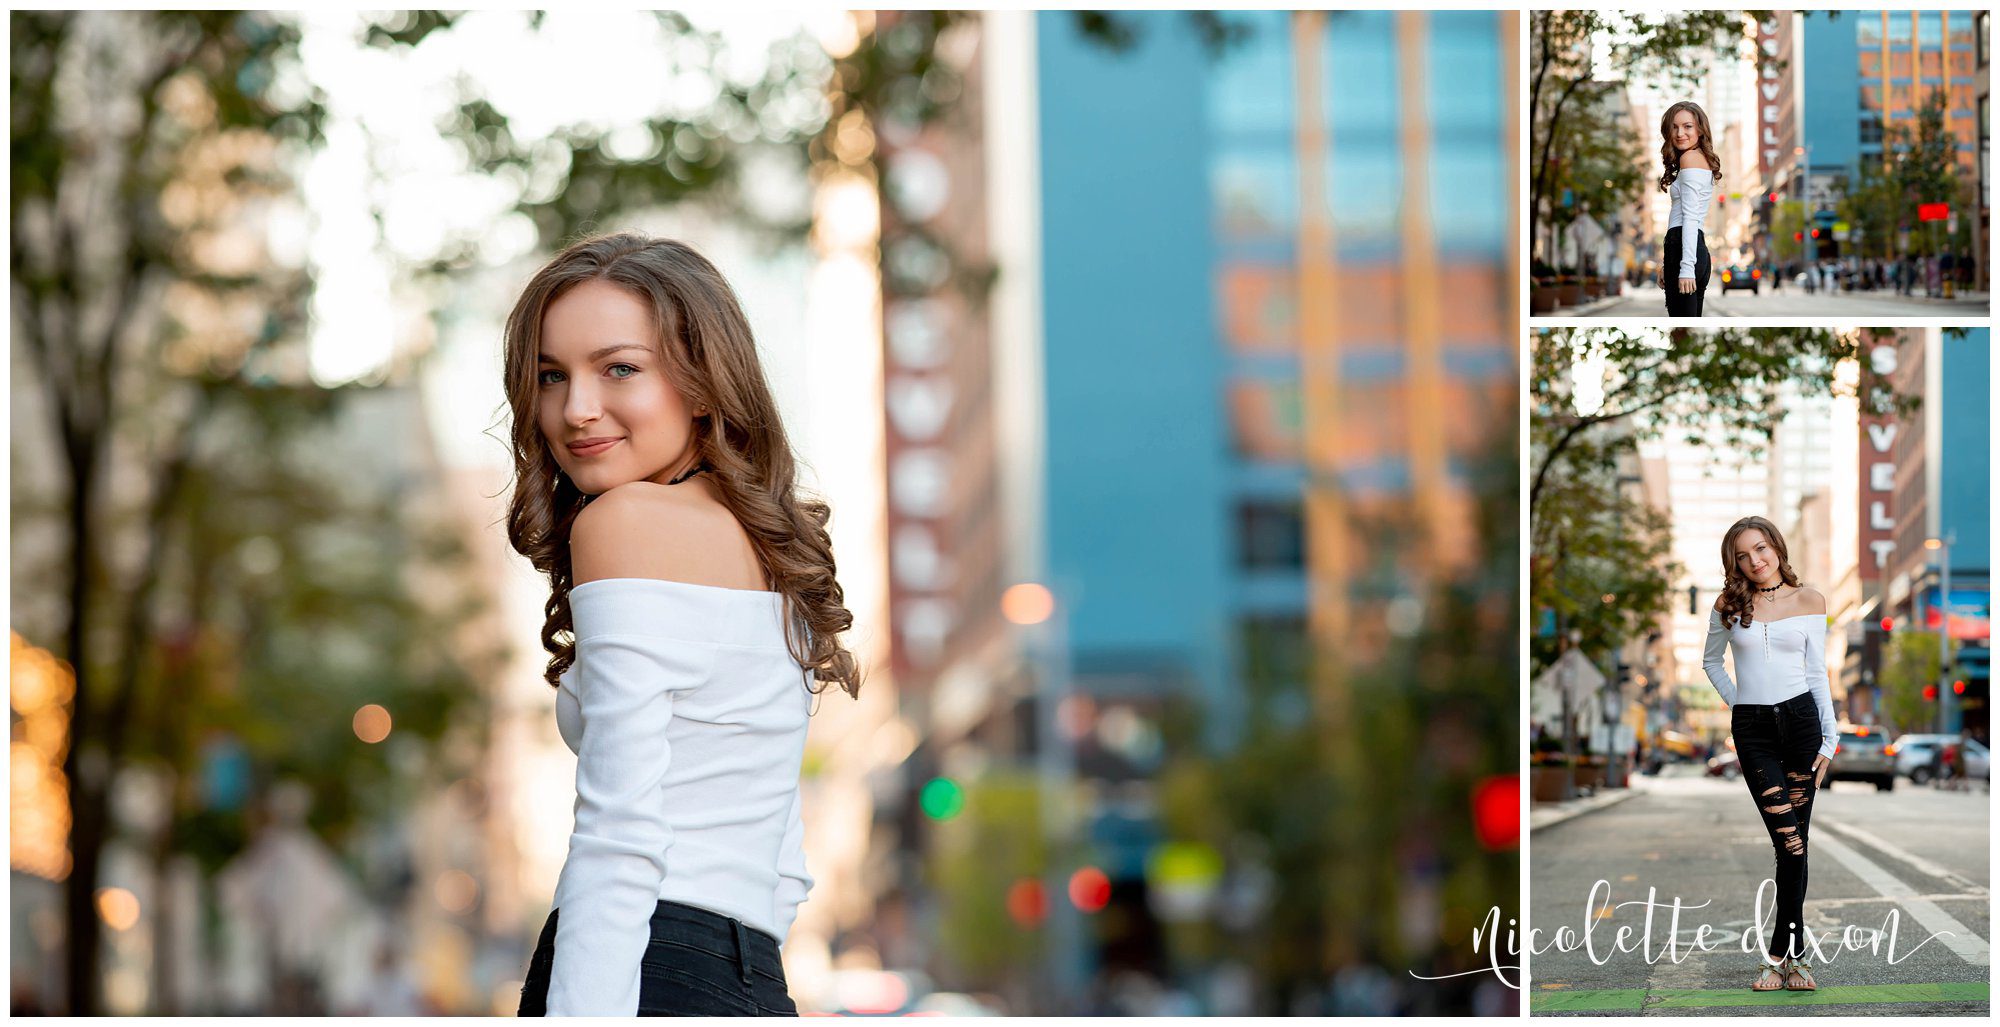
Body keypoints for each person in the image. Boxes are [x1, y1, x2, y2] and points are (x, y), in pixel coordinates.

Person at [503, 233, 862, 1015]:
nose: (577, 408)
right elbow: (782, 860)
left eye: (619, 368)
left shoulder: (624, 521)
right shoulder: (769, 543)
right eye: (551, 376)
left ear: (703, 383)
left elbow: (618, 832)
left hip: (641, 969)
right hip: (748, 972)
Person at [1701, 516, 1835, 993]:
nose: (1755, 561)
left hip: (1802, 724)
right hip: (1754, 731)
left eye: (1761, 549)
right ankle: (1787, 956)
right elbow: (1710, 661)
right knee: (1788, 841)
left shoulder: (1810, 601)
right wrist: (1741, 703)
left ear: (1776, 547)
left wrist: (1830, 737)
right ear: (1734, 562)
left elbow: (1817, 672)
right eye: (1743, 555)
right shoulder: (1729, 604)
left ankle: (1786, 957)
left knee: (1794, 842)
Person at [1658, 101, 1719, 317]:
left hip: (1685, 251)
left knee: (1683, 322)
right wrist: (1667, 265)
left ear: (1700, 130)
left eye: (1687, 126)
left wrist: (1686, 268)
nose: (1679, 133)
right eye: (1674, 127)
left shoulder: (1690, 158)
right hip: (1690, 250)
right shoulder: (1698, 158)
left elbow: (1690, 218)